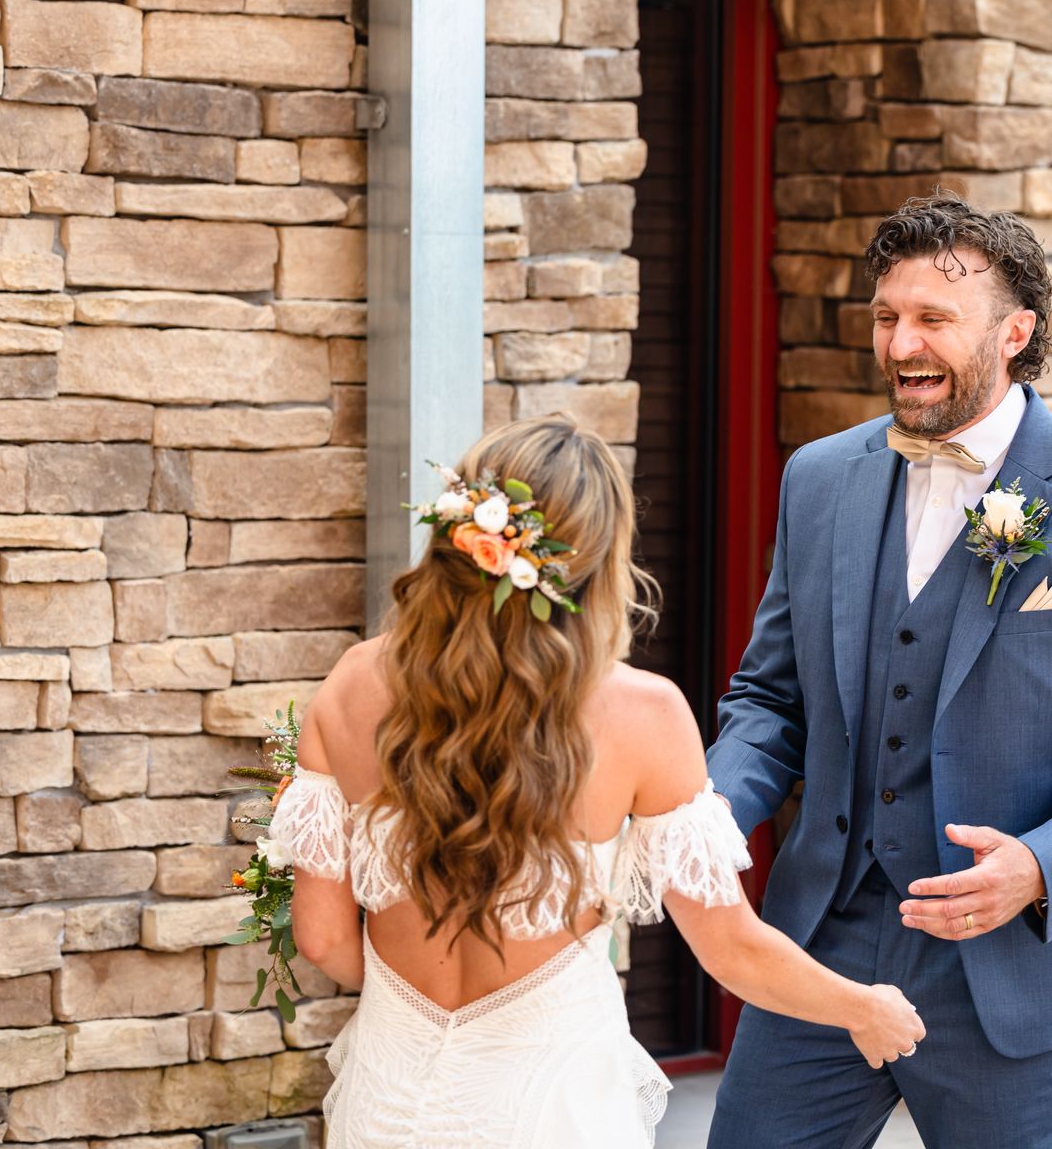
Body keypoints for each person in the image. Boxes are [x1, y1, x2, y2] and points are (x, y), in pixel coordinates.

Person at [705, 192, 1052, 1149]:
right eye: (887, 318)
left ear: (1015, 332)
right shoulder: (818, 479)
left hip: (1011, 967)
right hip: (825, 941)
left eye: (935, 320)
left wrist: (1038, 866)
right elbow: (772, 699)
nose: (903, 346)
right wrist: (709, 819)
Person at [273, 415, 924, 1149]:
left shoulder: (353, 684)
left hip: (389, 1099)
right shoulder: (641, 714)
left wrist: (414, 1002)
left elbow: (323, 938)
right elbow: (729, 949)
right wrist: (861, 1007)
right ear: (596, 559)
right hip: (551, 1104)